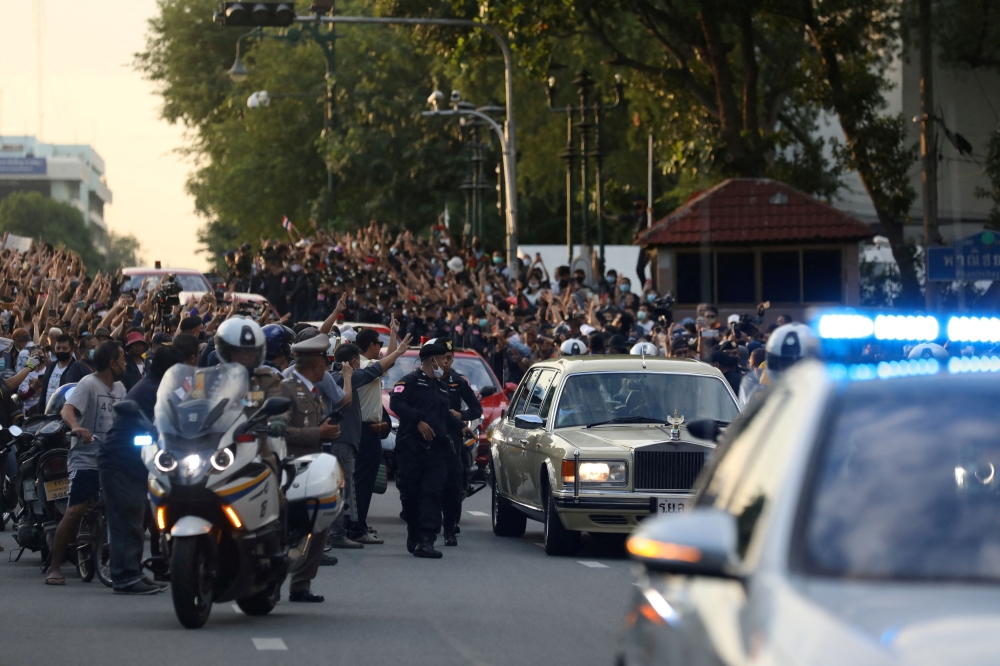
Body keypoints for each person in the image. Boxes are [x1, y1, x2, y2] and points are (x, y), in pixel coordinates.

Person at [100, 346, 183, 594]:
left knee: (134, 519)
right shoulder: (150, 391)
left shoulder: (159, 388)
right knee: (127, 520)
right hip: (121, 462)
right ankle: (125, 577)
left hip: (134, 463)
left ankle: (133, 572)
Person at [47, 341, 128, 587]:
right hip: (87, 457)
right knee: (75, 511)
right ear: (112, 363)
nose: (125, 364)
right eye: (122, 359)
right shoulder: (88, 384)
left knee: (128, 509)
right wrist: (77, 427)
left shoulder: (121, 389)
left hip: (113, 458)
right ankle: (54, 566)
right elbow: (67, 410)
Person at [326, 334, 411, 548]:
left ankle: (350, 526)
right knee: (357, 484)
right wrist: (398, 351)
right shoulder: (354, 373)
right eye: (379, 345)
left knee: (354, 483)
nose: (382, 350)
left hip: (359, 432)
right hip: (357, 433)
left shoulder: (342, 373)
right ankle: (352, 528)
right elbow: (381, 365)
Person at [280, 334, 344, 601]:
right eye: (324, 362)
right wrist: (318, 433)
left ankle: (301, 584)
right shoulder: (285, 389)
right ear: (315, 364)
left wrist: (326, 432)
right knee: (287, 530)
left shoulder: (311, 391)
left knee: (318, 526)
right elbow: (279, 430)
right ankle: (272, 582)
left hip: (312, 469)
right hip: (289, 470)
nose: (327, 368)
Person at [389, 343, 466, 559]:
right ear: (432, 361)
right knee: (411, 495)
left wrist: (462, 427)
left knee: (432, 494)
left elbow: (444, 415)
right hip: (411, 449)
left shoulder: (441, 386)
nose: (445, 363)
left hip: (437, 451)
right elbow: (396, 403)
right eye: (442, 359)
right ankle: (413, 533)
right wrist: (418, 421)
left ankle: (427, 540)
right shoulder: (410, 382)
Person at [430, 339, 480, 547]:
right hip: (430, 437)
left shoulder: (458, 381)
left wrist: (460, 414)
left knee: (453, 483)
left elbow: (476, 410)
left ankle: (450, 528)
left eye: (450, 358)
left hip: (453, 438)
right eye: (443, 358)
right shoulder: (424, 380)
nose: (446, 363)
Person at [39, 334, 80, 411]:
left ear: (72, 350)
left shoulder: (76, 369)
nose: (61, 351)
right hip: (45, 413)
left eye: (64, 348)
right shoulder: (51, 366)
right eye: (58, 348)